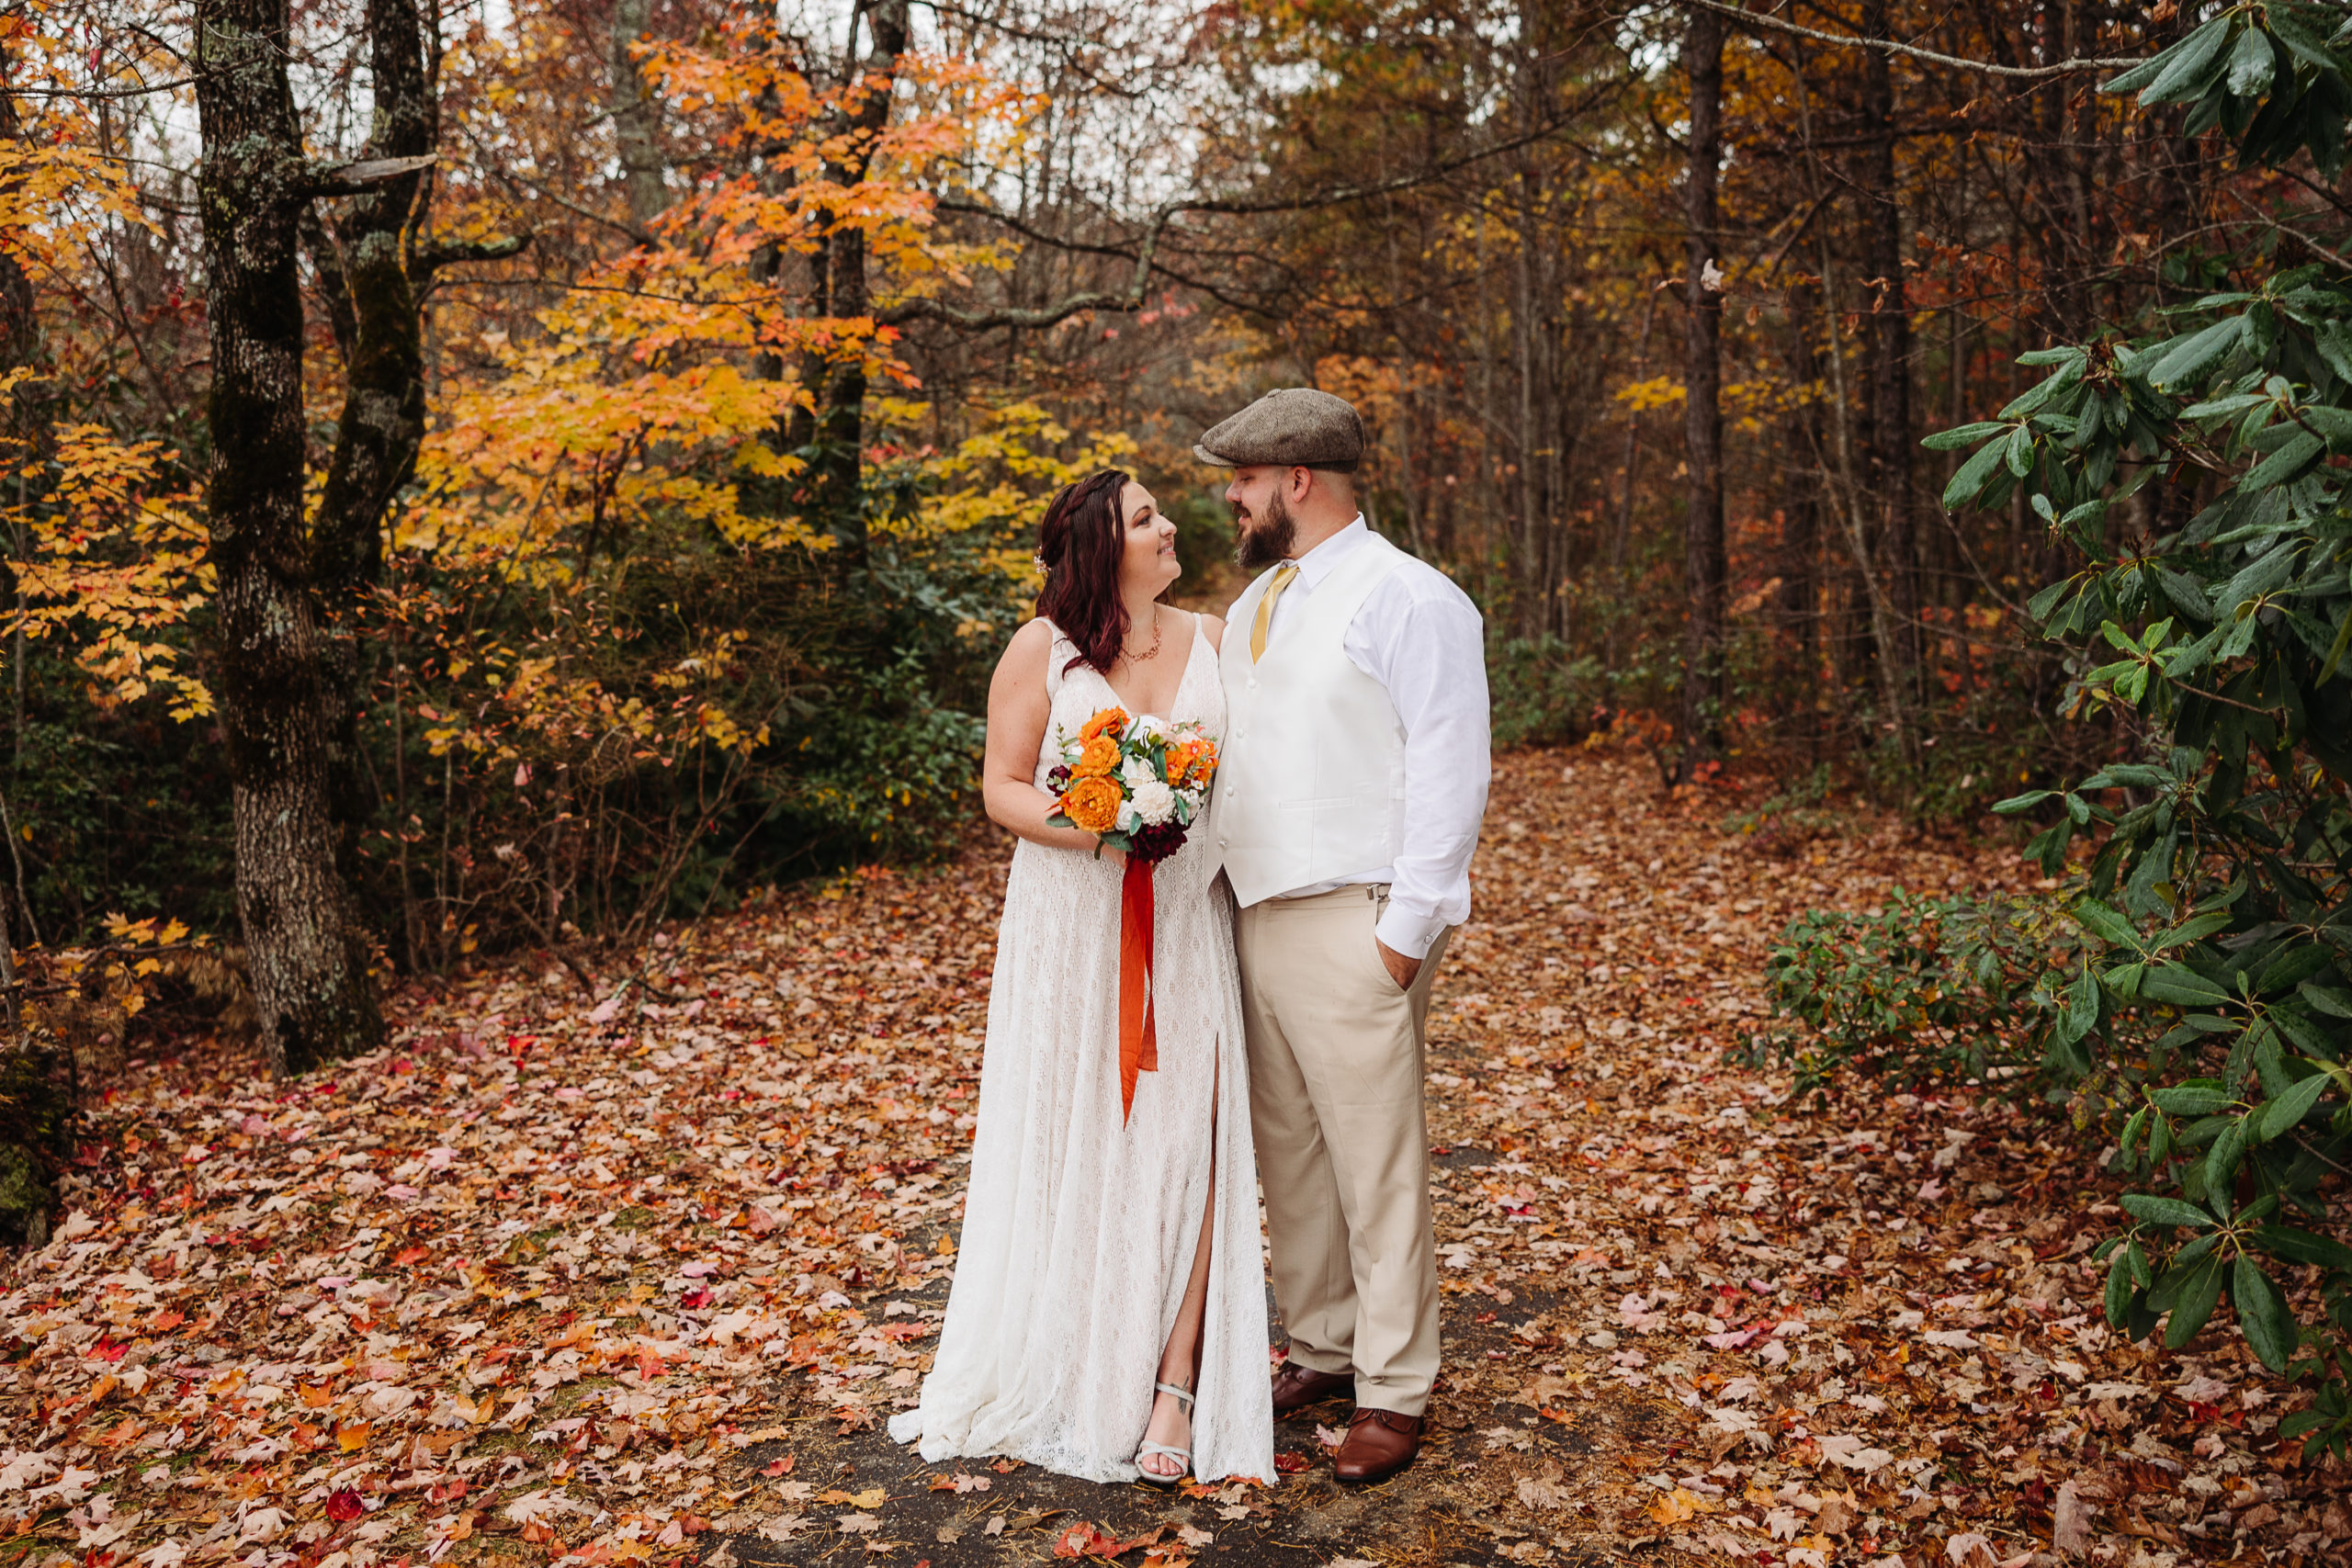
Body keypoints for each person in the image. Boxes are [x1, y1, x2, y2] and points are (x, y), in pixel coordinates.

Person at [888, 470, 1273, 1486]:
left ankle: (1176, 1382)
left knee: (1192, 1133)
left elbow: (1257, 775)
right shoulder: (1041, 652)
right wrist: (1099, 832)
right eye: (1147, 517)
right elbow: (1001, 788)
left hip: (1187, 924)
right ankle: (1076, 1357)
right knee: (1083, 1138)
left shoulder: (1214, 638)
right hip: (1073, 931)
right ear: (1104, 547)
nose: (1170, 525)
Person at [1200, 388, 1490, 1484]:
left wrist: (1406, 931)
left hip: (1356, 915)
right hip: (1256, 911)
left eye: (1243, 479)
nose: (1231, 497)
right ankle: (1322, 1344)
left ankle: (1395, 1386)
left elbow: (1450, 767)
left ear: (1297, 481)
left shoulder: (1409, 597)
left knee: (1376, 1164)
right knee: (1293, 1154)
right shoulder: (1264, 597)